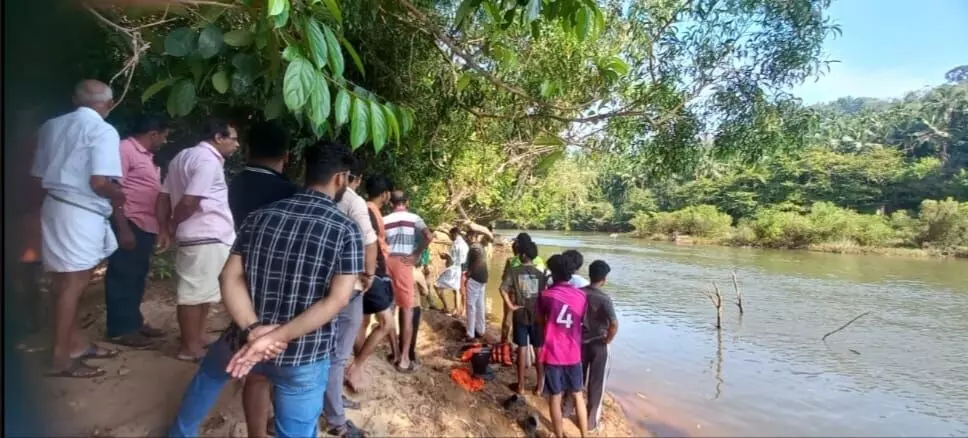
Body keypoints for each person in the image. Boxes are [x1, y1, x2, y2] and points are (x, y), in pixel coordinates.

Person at [169, 140, 362, 438]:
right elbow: (337, 300)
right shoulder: (345, 230)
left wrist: (254, 331)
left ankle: (180, 433)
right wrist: (275, 338)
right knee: (296, 430)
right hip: (303, 354)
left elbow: (228, 277)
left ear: (307, 171)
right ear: (340, 178)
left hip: (242, 339)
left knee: (208, 378)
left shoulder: (260, 216)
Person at [32, 80, 126, 378]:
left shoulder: (50, 126)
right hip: (81, 211)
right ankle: (60, 358)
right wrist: (119, 194)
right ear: (108, 104)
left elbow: (38, 176)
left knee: (62, 282)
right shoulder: (103, 130)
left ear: (75, 100)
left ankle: (75, 343)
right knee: (73, 284)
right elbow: (99, 182)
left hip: (55, 206)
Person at [226, 121, 299, 438]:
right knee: (279, 364)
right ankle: (275, 420)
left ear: (247, 150)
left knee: (256, 371)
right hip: (281, 285)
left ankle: (258, 429)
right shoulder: (289, 193)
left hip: (243, 279)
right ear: (286, 155)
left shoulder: (237, 183)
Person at [156, 119, 239, 362]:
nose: (237, 144)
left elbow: (163, 196)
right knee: (193, 294)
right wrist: (172, 225)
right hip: (205, 233)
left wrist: (165, 226)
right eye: (233, 139)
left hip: (203, 235)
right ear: (218, 137)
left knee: (202, 292)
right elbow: (190, 201)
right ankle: (189, 347)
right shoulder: (207, 161)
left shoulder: (182, 157)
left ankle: (197, 338)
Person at [104, 114, 171, 348]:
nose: (164, 141)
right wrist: (123, 228)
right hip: (130, 222)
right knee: (123, 275)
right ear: (153, 134)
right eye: (164, 136)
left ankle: (134, 321)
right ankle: (120, 329)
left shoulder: (147, 156)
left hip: (144, 225)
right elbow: (115, 189)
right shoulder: (125, 149)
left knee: (136, 276)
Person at [326, 159, 378, 437]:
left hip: (319, 284)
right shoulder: (352, 200)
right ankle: (335, 418)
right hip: (348, 284)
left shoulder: (305, 196)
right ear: (347, 177)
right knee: (338, 353)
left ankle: (333, 398)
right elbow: (369, 241)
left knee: (325, 347)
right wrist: (368, 275)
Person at [347, 174, 396, 391]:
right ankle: (356, 366)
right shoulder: (368, 211)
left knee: (362, 321)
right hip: (371, 273)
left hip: (363, 273)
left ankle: (358, 365)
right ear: (385, 194)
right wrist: (372, 274)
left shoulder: (365, 209)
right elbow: (370, 244)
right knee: (387, 323)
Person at [537, 252, 589, 438]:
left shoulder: (545, 295)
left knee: (555, 396)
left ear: (553, 273)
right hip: (573, 353)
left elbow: (540, 321)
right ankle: (585, 435)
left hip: (552, 353)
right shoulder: (581, 295)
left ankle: (559, 435)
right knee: (578, 395)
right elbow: (581, 321)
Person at [382, 191, 432, 372]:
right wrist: (416, 254)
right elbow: (428, 236)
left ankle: (395, 352)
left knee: (389, 309)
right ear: (407, 202)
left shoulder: (384, 220)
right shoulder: (414, 218)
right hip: (404, 263)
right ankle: (404, 359)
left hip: (387, 263)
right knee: (407, 311)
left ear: (391, 204)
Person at [500, 240, 547, 395]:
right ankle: (539, 387)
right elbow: (544, 295)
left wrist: (511, 305)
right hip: (537, 316)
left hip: (520, 315)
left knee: (522, 349)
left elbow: (502, 289)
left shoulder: (514, 272)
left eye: (520, 253)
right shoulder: (541, 275)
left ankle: (520, 386)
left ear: (524, 255)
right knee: (538, 350)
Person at [581, 260, 619, 432]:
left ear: (589, 275)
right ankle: (591, 423)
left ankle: (568, 409)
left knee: (577, 378)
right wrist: (608, 340)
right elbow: (614, 324)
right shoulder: (605, 299)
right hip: (599, 343)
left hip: (580, 342)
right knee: (596, 383)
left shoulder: (579, 293)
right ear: (604, 279)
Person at [500, 233, 546, 344]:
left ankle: (505, 344)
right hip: (534, 300)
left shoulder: (513, 260)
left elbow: (505, 280)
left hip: (515, 296)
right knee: (534, 331)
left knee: (508, 320)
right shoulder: (540, 260)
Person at [434, 227, 468, 314]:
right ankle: (457, 310)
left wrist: (445, 256)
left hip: (453, 269)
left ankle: (446, 307)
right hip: (460, 269)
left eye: (451, 235)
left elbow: (452, 260)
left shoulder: (456, 244)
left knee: (436, 285)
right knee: (456, 289)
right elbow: (463, 260)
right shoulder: (464, 244)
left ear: (455, 234)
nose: (450, 237)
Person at [464, 230, 489, 341]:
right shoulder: (481, 246)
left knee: (471, 305)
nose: (466, 239)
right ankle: (480, 329)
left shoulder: (474, 248)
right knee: (480, 304)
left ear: (471, 236)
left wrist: (469, 272)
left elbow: (477, 261)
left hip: (475, 278)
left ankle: (470, 333)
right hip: (483, 278)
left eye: (467, 237)